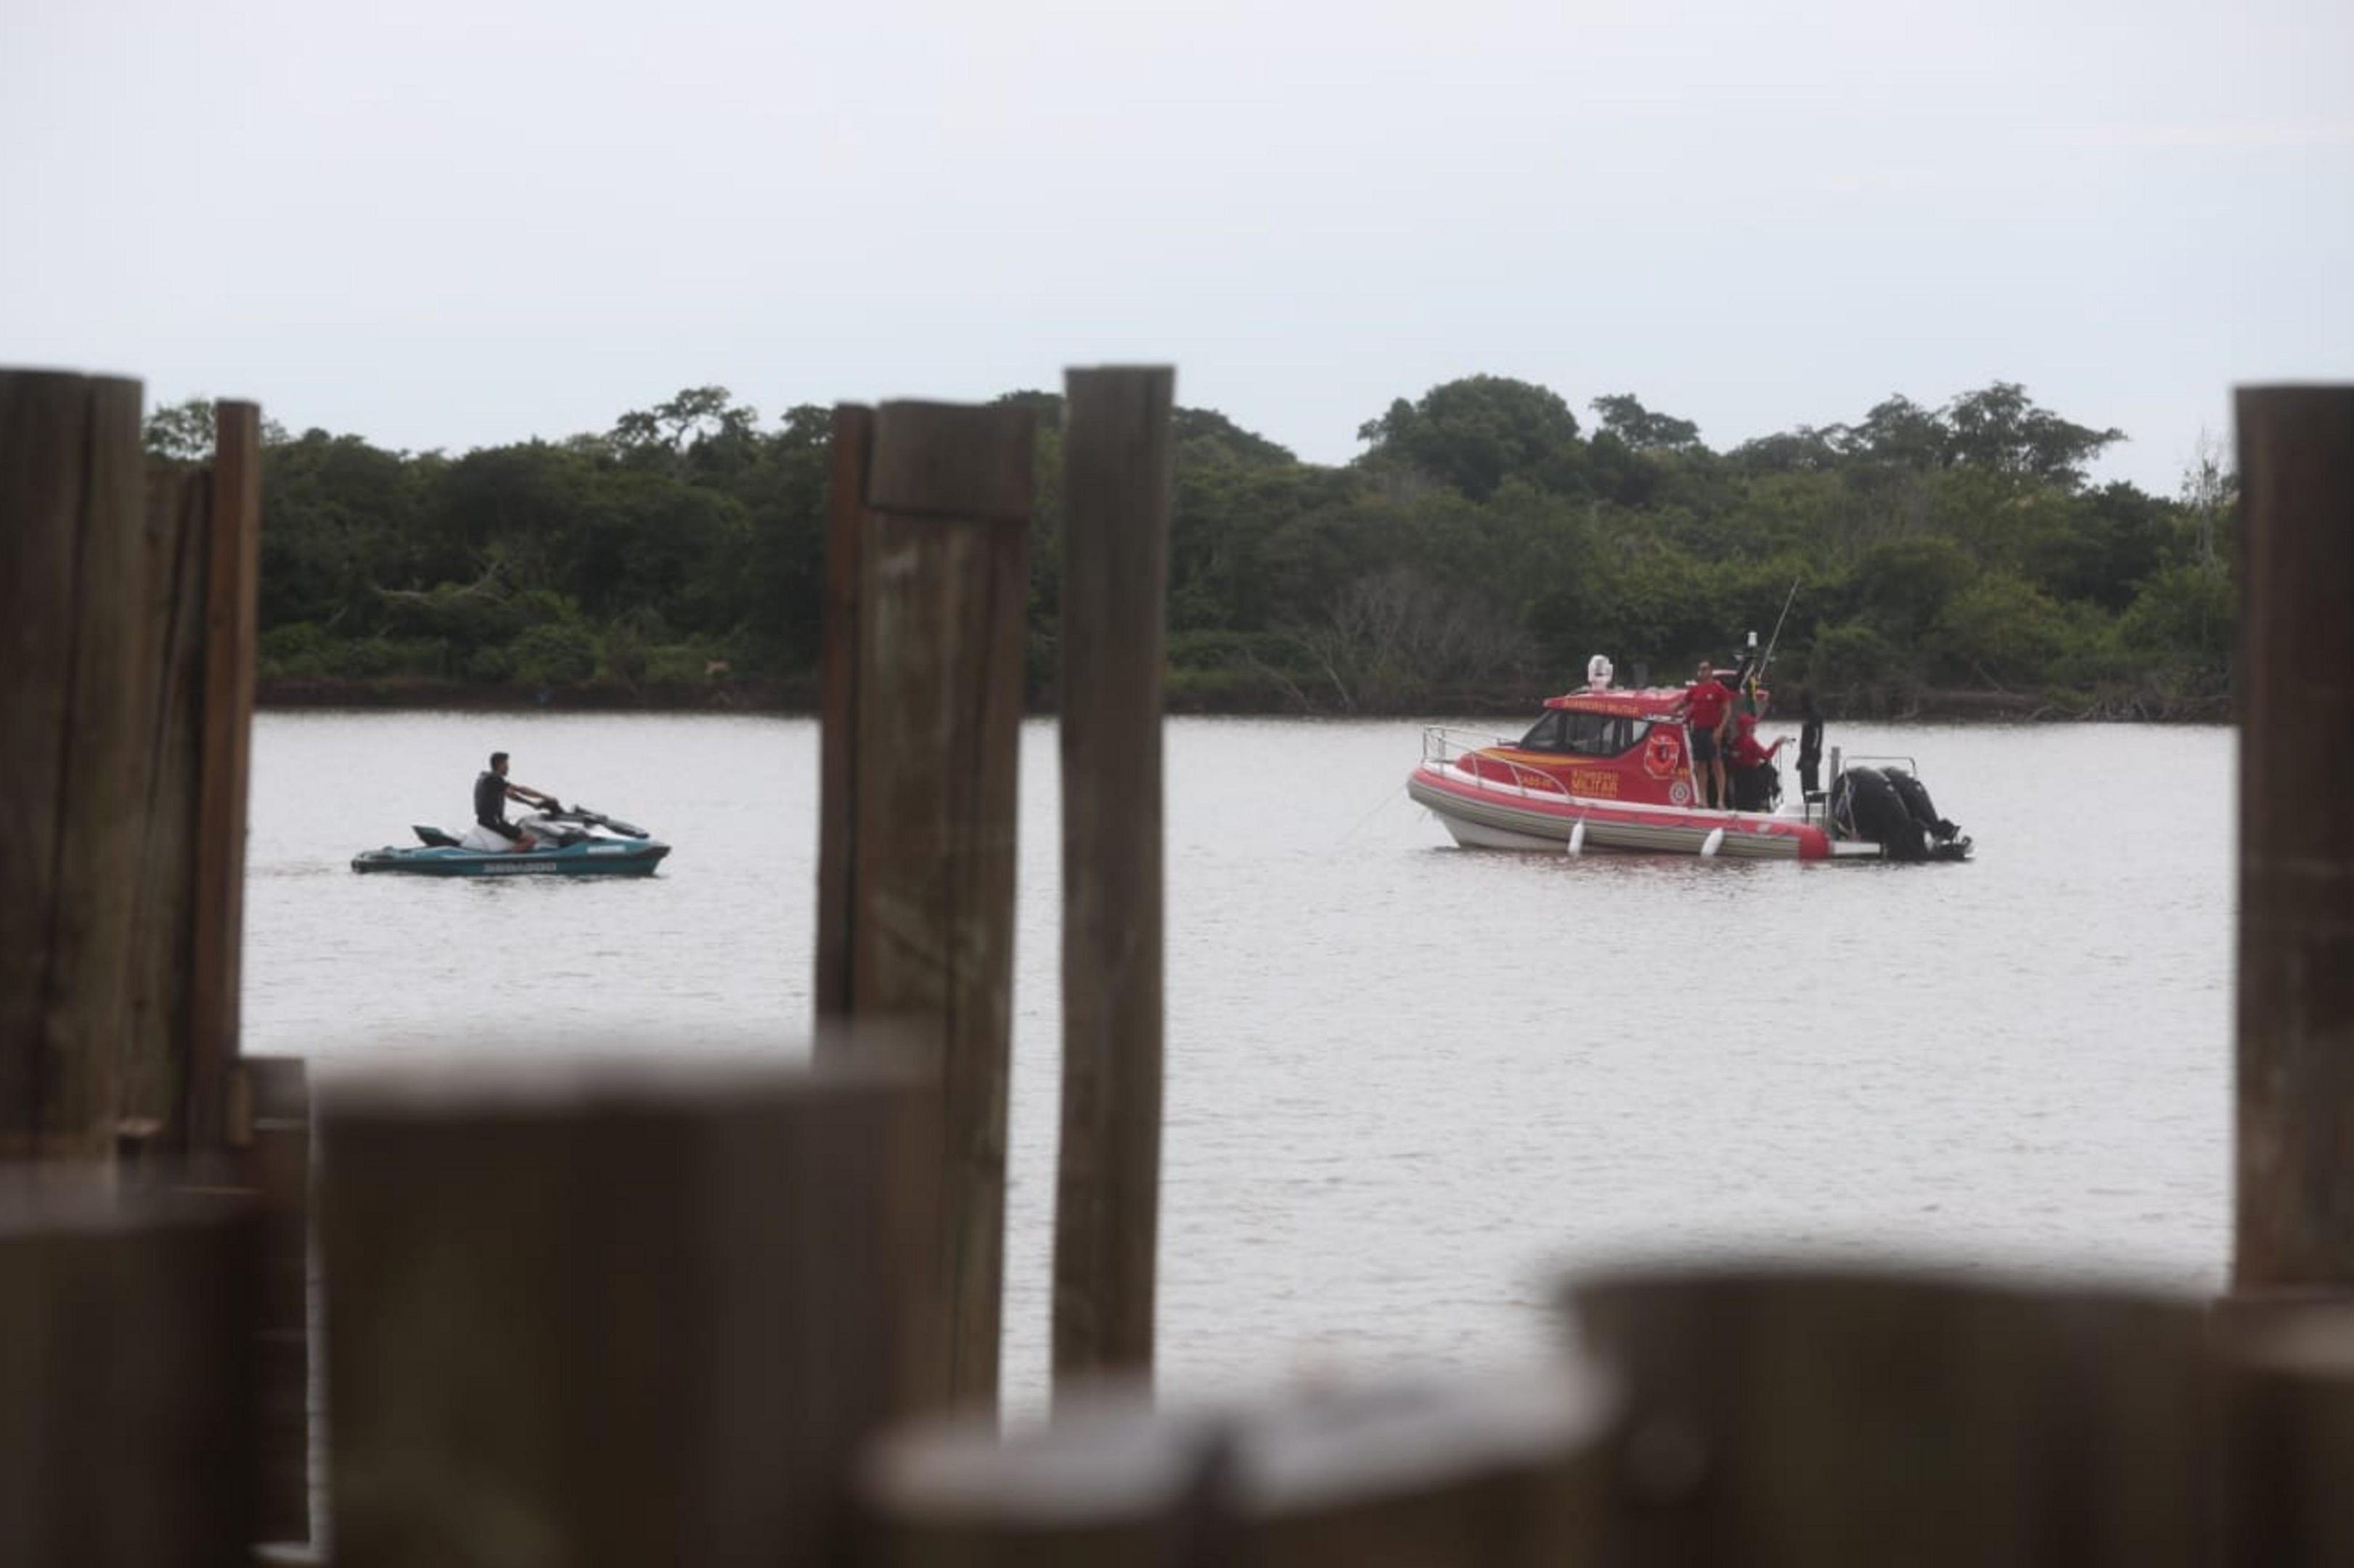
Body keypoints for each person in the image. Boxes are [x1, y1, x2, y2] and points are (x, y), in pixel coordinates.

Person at [464, 750, 558, 852]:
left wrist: (533, 804)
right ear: (500, 765)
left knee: (521, 830)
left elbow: (510, 795)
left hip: (488, 820)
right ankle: (507, 863)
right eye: (506, 764)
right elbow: (519, 791)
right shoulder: (494, 779)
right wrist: (545, 798)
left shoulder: (488, 778)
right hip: (495, 821)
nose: (508, 767)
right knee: (530, 840)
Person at [1673, 658, 1736, 810]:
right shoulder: (1695, 690)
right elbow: (1683, 703)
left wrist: (1720, 729)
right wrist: (1670, 708)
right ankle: (1703, 800)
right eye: (1700, 669)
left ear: (1710, 671)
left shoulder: (1719, 689)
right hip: (1698, 731)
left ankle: (1721, 800)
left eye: (1705, 669)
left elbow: (1728, 710)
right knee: (1700, 765)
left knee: (1717, 764)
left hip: (1712, 730)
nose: (1702, 672)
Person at [1727, 712, 1789, 812]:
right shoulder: (1750, 742)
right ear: (1747, 727)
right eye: (1752, 725)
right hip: (1751, 776)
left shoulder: (1736, 741)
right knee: (1769, 772)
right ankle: (1764, 804)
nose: (1754, 728)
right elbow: (1767, 756)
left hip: (1739, 776)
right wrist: (1777, 743)